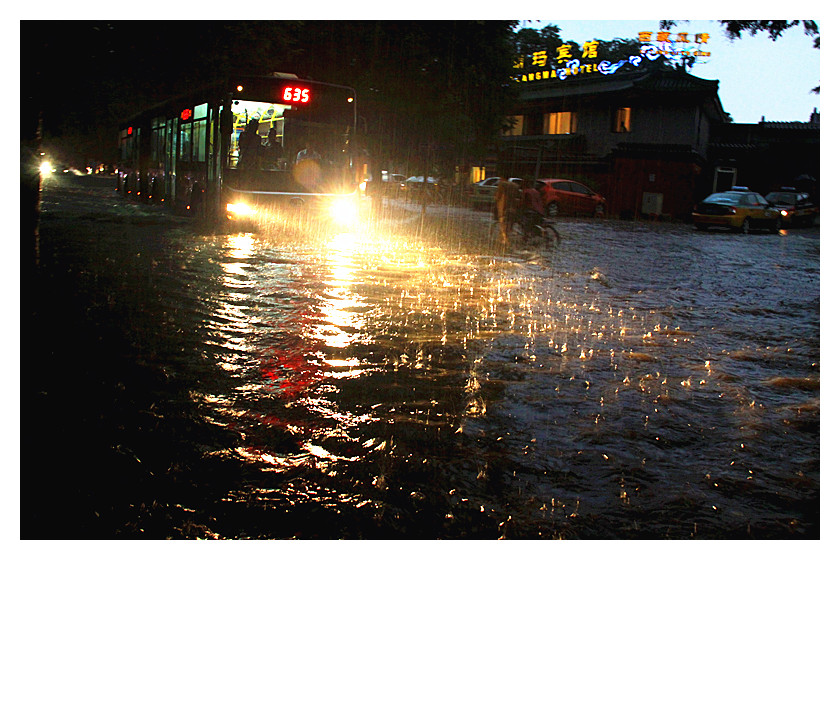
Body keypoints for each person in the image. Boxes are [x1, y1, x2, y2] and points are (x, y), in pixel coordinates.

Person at [493, 176, 521, 247]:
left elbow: (498, 196)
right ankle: (506, 238)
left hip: (504, 207)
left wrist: (496, 200)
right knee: (510, 224)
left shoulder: (502, 184)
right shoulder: (515, 185)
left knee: (503, 223)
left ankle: (506, 241)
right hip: (513, 207)